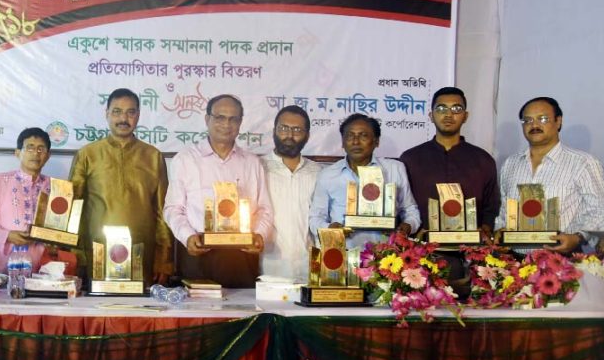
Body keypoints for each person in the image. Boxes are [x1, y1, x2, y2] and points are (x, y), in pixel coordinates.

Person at [164, 94, 274, 288]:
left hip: (241, 257)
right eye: (220, 117)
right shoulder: (186, 160)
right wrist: (187, 236)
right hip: (199, 254)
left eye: (233, 119)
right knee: (200, 317)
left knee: (242, 315)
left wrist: (259, 235)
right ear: (207, 119)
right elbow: (173, 209)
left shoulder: (251, 163)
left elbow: (265, 209)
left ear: (240, 123)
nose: (226, 124)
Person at [69, 88, 172, 286]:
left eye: (130, 112)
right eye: (117, 111)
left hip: (141, 252)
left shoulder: (153, 156)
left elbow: (162, 212)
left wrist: (164, 261)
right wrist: (77, 256)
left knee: (139, 313)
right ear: (106, 114)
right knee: (99, 313)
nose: (123, 118)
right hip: (97, 250)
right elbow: (74, 207)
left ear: (138, 115)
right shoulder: (88, 155)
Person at [496, 97, 604, 253]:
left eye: (542, 119)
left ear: (558, 121)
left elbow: (601, 210)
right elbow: (504, 210)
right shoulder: (511, 163)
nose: (534, 125)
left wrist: (578, 237)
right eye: (528, 120)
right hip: (514, 261)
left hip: (561, 263)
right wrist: (500, 233)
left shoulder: (583, 163)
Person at [400, 87, 500, 241]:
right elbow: (403, 206)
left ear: (465, 116)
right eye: (441, 108)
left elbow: (491, 208)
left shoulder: (483, 160)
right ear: (431, 116)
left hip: (469, 251)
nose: (448, 114)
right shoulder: (410, 159)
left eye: (456, 109)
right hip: (420, 250)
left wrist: (485, 232)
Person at [309, 113, 420, 249]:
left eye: (363, 135)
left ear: (376, 141)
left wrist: (407, 226)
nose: (356, 142)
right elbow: (315, 218)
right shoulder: (327, 174)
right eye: (350, 136)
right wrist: (330, 228)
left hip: (386, 259)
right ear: (343, 142)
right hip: (342, 256)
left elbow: (411, 210)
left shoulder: (394, 169)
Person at [0, 128, 57, 274]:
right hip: (3, 267)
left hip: (44, 269)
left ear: (48, 155)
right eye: (29, 148)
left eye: (41, 149)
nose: (35, 153)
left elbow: (63, 227)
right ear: (17, 153)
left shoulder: (55, 187)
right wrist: (7, 236)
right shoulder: (0, 182)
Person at [260, 105, 321, 281]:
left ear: (307, 135)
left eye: (297, 130)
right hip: (266, 269)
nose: (289, 135)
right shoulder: (258, 168)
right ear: (274, 131)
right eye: (284, 128)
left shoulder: (319, 173)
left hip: (310, 268)